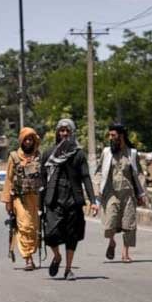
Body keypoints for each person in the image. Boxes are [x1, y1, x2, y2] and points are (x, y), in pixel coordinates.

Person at [40, 119, 99, 280]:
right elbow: (42, 181)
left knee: (72, 235)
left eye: (67, 131)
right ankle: (57, 256)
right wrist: (40, 206)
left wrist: (93, 200)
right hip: (54, 199)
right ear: (57, 132)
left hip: (73, 198)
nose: (64, 133)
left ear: (72, 133)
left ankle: (68, 269)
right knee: (50, 234)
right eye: (61, 130)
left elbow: (86, 177)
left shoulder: (78, 154)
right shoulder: (49, 153)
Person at [98, 123, 146, 263]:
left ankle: (125, 253)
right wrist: (97, 193)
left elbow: (139, 174)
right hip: (111, 193)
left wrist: (141, 194)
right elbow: (99, 172)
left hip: (128, 193)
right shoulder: (106, 153)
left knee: (129, 224)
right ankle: (112, 242)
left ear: (121, 135)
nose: (111, 138)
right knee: (110, 223)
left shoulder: (132, 153)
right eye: (110, 135)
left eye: (113, 135)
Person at [1, 127, 43, 271]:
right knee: (24, 226)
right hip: (19, 198)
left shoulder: (38, 156)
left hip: (35, 198)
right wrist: (7, 201)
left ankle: (30, 252)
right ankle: (28, 258)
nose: (28, 142)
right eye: (25, 139)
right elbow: (8, 179)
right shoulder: (14, 157)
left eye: (30, 139)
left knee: (33, 228)